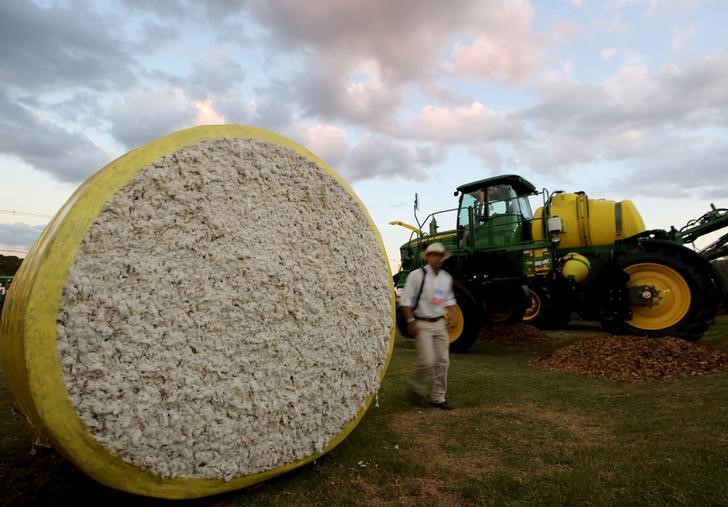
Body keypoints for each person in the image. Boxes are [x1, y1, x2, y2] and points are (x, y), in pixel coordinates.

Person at [400, 242, 457, 410]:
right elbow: (405, 301)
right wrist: (410, 321)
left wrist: (453, 314)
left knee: (443, 361)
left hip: (440, 323)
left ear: (442, 258)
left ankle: (438, 397)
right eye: (433, 255)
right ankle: (414, 387)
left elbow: (449, 300)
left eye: (439, 256)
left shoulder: (446, 278)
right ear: (428, 257)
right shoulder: (416, 275)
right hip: (422, 323)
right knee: (427, 362)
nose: (436, 258)